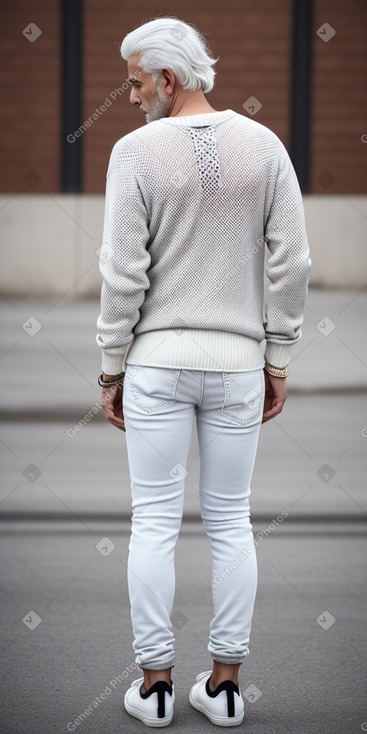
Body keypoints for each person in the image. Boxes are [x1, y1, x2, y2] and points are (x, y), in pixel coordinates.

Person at [96, 15, 311, 728]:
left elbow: (122, 275)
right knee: (231, 523)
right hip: (237, 363)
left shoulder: (133, 153)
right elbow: (292, 262)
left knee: (152, 523)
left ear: (167, 78)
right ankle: (223, 687)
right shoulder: (266, 146)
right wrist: (277, 355)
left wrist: (109, 367)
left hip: (157, 362)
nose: (128, 96)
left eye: (134, 82)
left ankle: (154, 687)